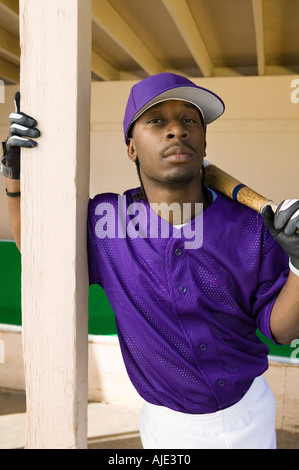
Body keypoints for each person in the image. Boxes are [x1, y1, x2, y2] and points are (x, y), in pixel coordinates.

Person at [2, 73, 299, 449]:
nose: (176, 130)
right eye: (157, 121)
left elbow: (283, 330)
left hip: (247, 415)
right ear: (131, 148)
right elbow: (35, 245)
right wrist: (16, 178)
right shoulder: (105, 221)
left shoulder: (251, 227)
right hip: (164, 425)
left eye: (190, 120)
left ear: (204, 142)